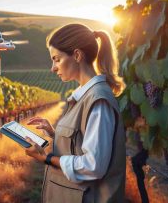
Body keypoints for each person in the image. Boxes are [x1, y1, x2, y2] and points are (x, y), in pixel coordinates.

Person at [25, 23, 126, 203]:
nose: (53, 67)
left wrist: (45, 157)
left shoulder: (97, 100)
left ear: (77, 55)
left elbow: (93, 166)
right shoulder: (85, 95)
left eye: (56, 59)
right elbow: (83, 143)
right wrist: (54, 134)